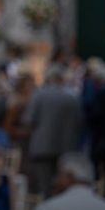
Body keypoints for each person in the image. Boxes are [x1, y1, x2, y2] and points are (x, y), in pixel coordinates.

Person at [22, 65, 82, 195]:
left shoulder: (39, 95)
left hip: (41, 147)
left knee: (44, 187)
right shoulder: (72, 97)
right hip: (65, 148)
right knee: (62, 187)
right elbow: (79, 122)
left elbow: (28, 120)